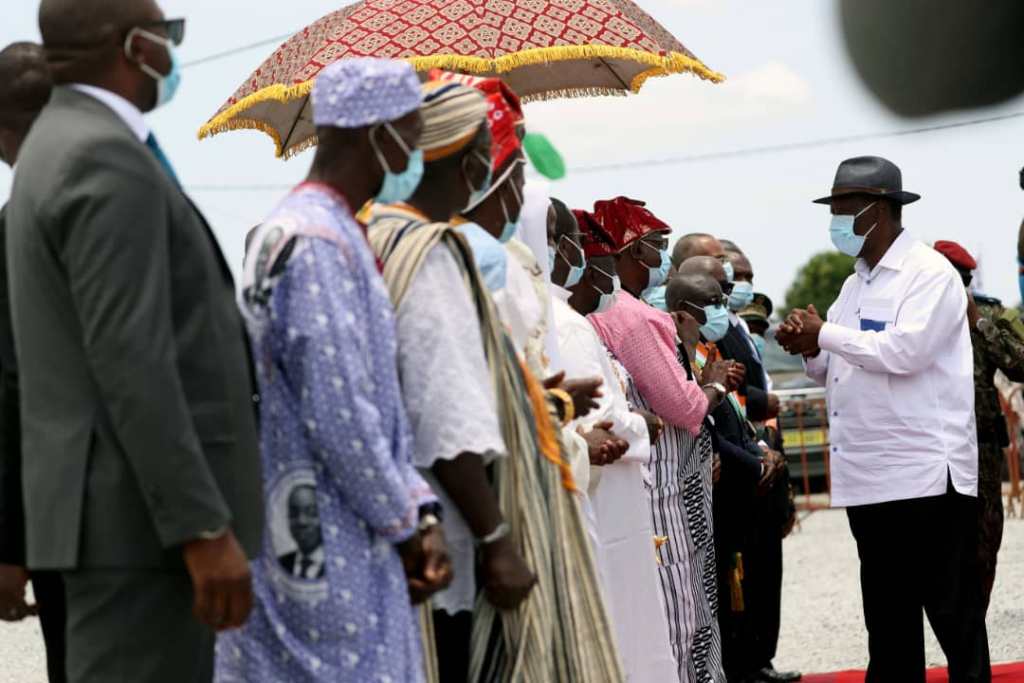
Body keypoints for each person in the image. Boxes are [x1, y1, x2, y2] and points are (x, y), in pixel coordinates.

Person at [8, 3, 262, 681]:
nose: (172, 54)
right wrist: (203, 528)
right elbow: (133, 361)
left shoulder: (55, 144)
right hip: (140, 528)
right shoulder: (102, 155)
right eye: (168, 37)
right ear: (134, 47)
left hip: (112, 520)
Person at [368, 81, 622, 682]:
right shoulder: (431, 253)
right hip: (463, 528)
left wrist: (542, 399)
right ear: (477, 161)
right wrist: (496, 538)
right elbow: (448, 417)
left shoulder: (382, 236)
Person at [221, 58, 453, 683]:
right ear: (374, 133)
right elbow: (341, 411)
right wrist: (409, 520)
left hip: (316, 524)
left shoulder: (308, 229)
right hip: (330, 536)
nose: (415, 150)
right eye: (410, 131)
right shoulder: (317, 244)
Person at [777, 156, 990, 683]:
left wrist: (825, 332)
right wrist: (807, 344)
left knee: (954, 616)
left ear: (881, 210)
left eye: (846, 209)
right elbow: (835, 364)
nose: (837, 221)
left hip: (924, 477)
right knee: (889, 625)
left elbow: (905, 352)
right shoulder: (856, 283)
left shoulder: (929, 274)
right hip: (871, 480)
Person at [588, 196, 739, 683]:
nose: (661, 260)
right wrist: (712, 384)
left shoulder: (614, 314)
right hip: (669, 493)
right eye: (656, 247)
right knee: (682, 611)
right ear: (631, 252)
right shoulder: (632, 318)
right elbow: (683, 407)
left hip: (655, 482)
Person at [548, 202, 679, 682]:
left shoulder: (566, 320)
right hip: (606, 495)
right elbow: (601, 424)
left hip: (608, 494)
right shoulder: (569, 326)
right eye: (606, 268)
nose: (614, 283)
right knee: (627, 626)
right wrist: (642, 423)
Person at [667, 262, 783, 683]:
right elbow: (705, 427)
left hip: (742, 481)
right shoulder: (680, 355)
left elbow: (733, 416)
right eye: (713, 302)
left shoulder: (708, 350)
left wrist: (761, 449)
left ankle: (748, 664)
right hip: (719, 489)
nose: (723, 309)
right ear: (683, 309)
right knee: (720, 593)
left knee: (745, 588)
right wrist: (753, 461)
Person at [0, 41, 67, 683]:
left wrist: (11, 544)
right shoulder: (124, 200)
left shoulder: (16, 223)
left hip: (56, 518)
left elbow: (14, 384)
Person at [720, 247, 799, 683]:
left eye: (748, 274)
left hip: (767, 464)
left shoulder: (744, 328)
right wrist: (757, 401)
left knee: (769, 573)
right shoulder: (715, 330)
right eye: (736, 274)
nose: (742, 282)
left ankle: (761, 660)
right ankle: (745, 663)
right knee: (743, 578)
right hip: (740, 468)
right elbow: (721, 392)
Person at [934, 240, 1024, 610]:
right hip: (927, 449)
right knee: (936, 550)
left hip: (980, 451)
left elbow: (1020, 365)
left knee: (983, 547)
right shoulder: (909, 315)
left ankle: (972, 636)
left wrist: (979, 323)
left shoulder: (989, 314)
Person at [276, 485, 325, 581]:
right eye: (294, 513)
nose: (301, 521)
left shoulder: (337, 566)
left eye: (312, 513)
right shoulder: (279, 565)